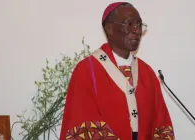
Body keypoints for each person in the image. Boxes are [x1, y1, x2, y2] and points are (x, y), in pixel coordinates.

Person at [60, 2, 175, 140]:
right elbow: (83, 125)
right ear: (109, 28)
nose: (136, 30)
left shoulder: (147, 73)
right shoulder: (87, 71)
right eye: (129, 24)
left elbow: (161, 125)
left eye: (139, 25)